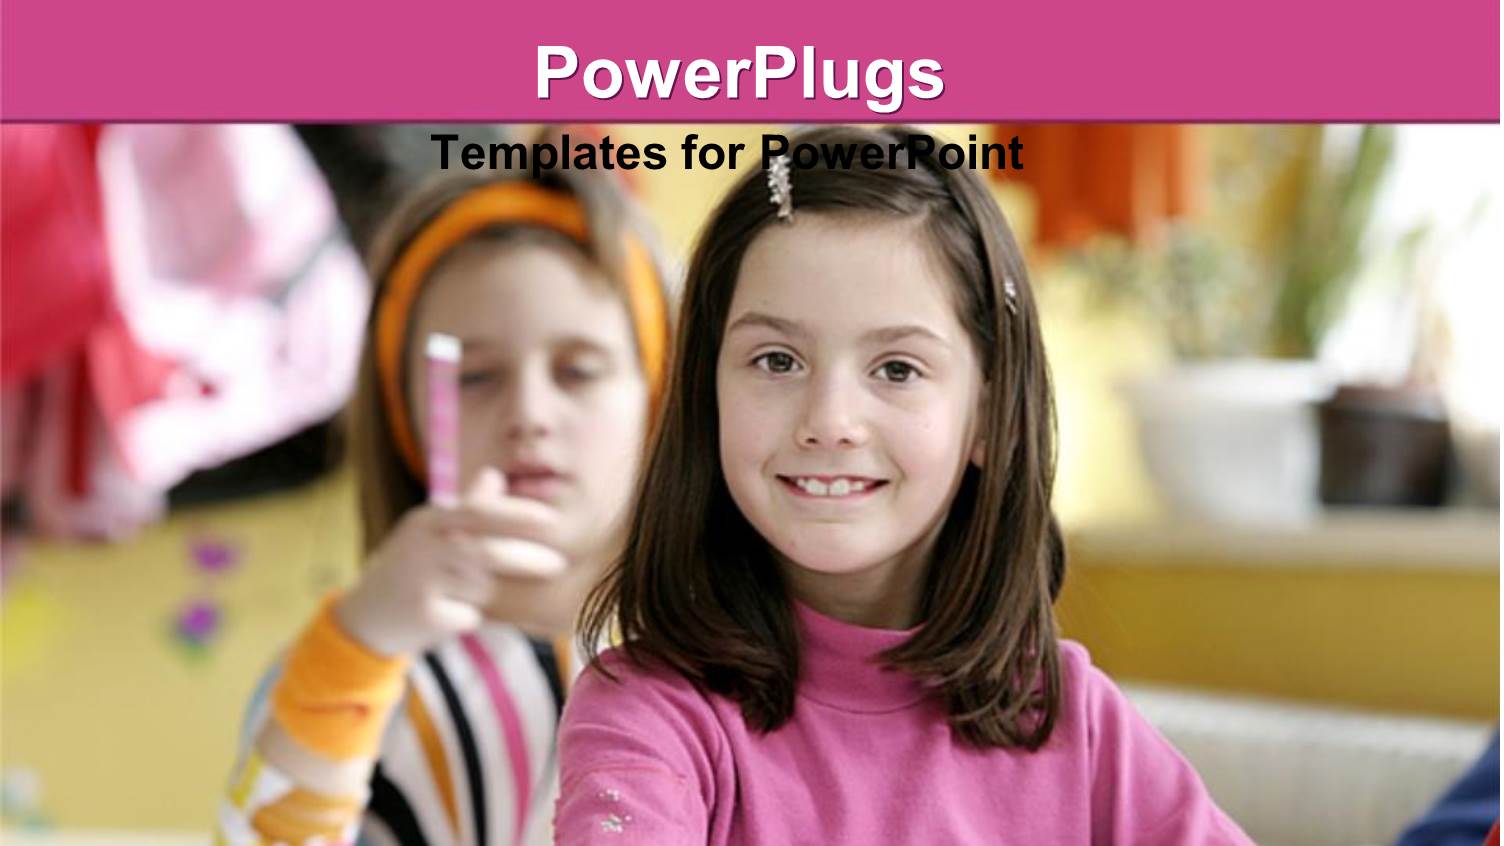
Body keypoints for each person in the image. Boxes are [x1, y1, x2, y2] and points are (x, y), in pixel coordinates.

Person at [555, 125, 1251, 844]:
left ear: (990, 417)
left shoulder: (1077, 720)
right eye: (776, 360)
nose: (829, 422)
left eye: (896, 369)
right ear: (707, 394)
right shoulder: (647, 716)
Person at [218, 165, 671, 846]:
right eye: (476, 376)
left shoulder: (735, 659)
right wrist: (355, 649)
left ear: (659, 400)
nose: (529, 415)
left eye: (578, 370)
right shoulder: (339, 670)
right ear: (407, 418)